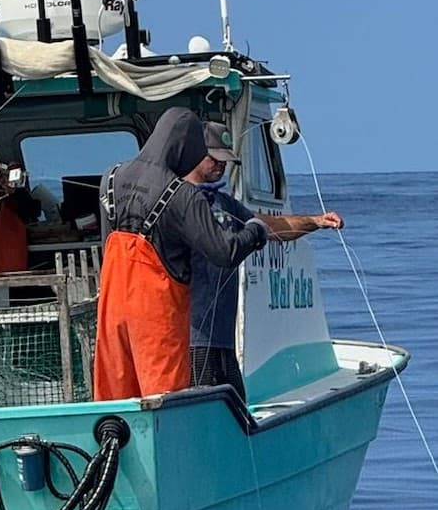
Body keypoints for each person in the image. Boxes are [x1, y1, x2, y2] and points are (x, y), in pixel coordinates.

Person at [94, 107, 269, 401]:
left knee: (116, 397)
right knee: (164, 401)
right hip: (156, 314)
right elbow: (224, 252)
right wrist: (255, 232)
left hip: (111, 307)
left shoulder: (109, 178)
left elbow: (107, 242)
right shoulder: (183, 195)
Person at [188, 121, 344, 399]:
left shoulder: (224, 203)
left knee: (235, 405)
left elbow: (273, 227)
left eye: (225, 160)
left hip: (222, 336)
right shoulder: (180, 202)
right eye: (215, 158)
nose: (221, 165)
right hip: (191, 337)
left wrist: (315, 221)